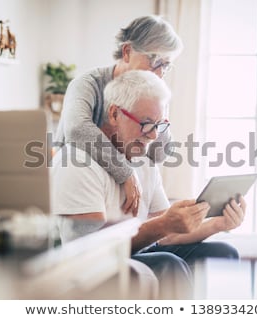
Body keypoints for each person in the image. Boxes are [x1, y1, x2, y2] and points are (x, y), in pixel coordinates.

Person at [51, 70, 246, 299]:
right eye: (146, 124)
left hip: (133, 252)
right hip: (88, 268)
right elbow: (90, 251)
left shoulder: (144, 162)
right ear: (114, 114)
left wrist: (217, 224)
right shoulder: (77, 162)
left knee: (224, 253)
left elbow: (167, 235)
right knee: (167, 264)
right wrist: (163, 225)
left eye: (159, 125)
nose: (153, 136)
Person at [54, 15, 183, 217]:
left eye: (165, 65)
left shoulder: (153, 92)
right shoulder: (87, 84)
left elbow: (159, 153)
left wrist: (158, 113)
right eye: (155, 60)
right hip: (77, 186)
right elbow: (77, 129)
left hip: (116, 197)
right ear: (127, 51)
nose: (160, 72)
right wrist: (126, 172)